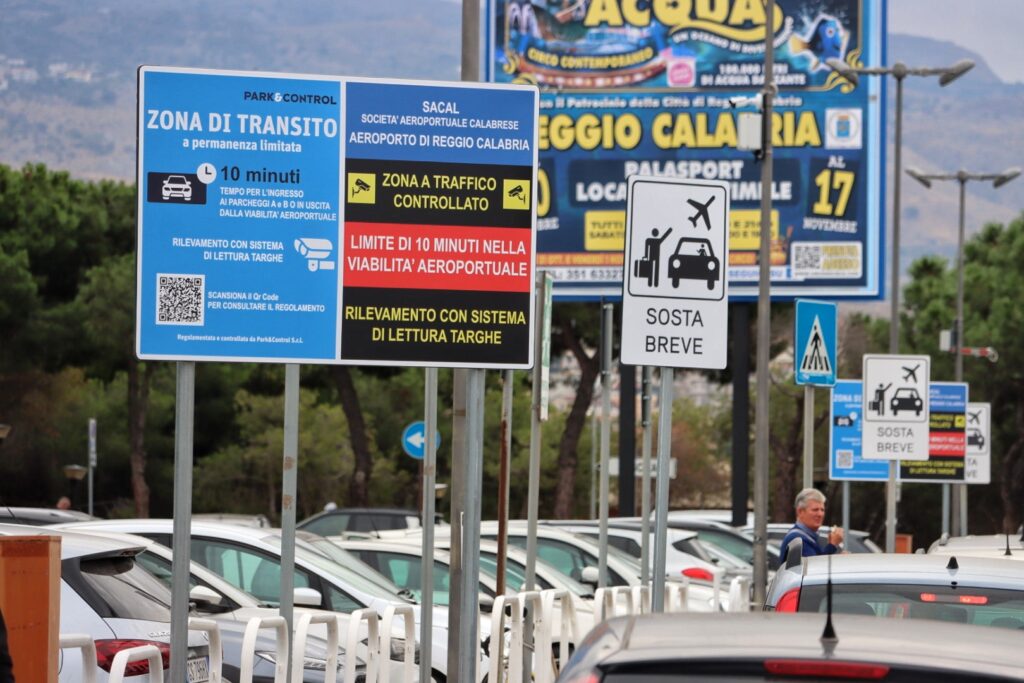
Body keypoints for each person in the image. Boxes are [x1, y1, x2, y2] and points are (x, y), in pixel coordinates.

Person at [779, 488, 844, 564]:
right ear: (800, 511)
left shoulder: (807, 537)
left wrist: (839, 558)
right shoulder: (798, 539)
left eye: (822, 510)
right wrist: (832, 545)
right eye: (815, 510)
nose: (820, 514)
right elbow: (815, 569)